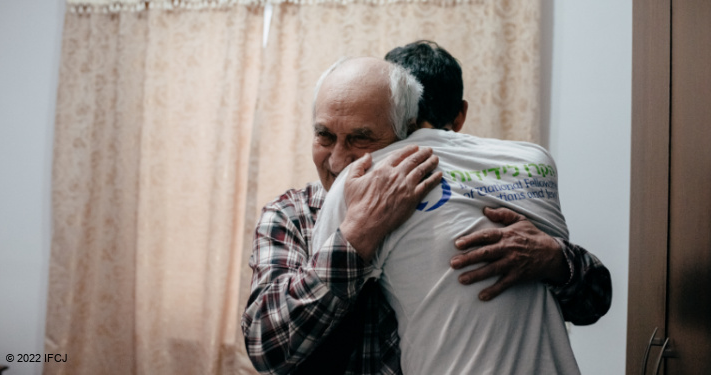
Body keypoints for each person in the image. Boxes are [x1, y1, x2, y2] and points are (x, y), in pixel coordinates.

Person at [242, 48, 611, 374]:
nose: (337, 160)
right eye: (324, 136)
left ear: (408, 136)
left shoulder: (481, 189)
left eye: (361, 138)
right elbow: (268, 347)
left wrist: (556, 260)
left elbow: (594, 300)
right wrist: (356, 235)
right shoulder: (291, 215)